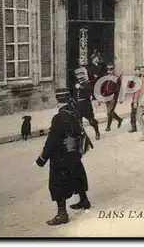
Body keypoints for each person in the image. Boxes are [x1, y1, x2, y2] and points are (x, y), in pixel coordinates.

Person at [35, 91, 90, 226]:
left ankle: (62, 214)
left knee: (57, 183)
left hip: (61, 156)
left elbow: (52, 141)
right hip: (74, 153)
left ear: (57, 101)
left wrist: (42, 158)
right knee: (77, 175)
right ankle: (84, 201)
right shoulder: (74, 112)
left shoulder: (59, 117)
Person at [73, 67, 101, 140]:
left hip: (86, 105)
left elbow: (89, 90)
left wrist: (80, 87)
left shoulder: (87, 83)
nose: (80, 76)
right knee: (79, 123)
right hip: (78, 106)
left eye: (81, 75)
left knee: (91, 121)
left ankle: (97, 132)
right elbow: (74, 95)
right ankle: (82, 136)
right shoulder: (76, 84)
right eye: (78, 75)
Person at [100, 65, 123, 132]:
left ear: (113, 70)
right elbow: (102, 87)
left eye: (111, 70)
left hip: (113, 97)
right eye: (108, 70)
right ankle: (119, 119)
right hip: (106, 97)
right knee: (110, 112)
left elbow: (120, 89)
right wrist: (102, 95)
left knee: (109, 112)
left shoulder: (116, 78)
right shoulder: (105, 78)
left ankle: (108, 127)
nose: (110, 71)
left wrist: (120, 98)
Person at [127, 65, 141, 133]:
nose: (137, 72)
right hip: (135, 98)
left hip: (142, 98)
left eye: (138, 71)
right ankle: (134, 127)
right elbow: (129, 87)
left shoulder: (143, 78)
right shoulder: (134, 78)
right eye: (136, 71)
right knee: (133, 114)